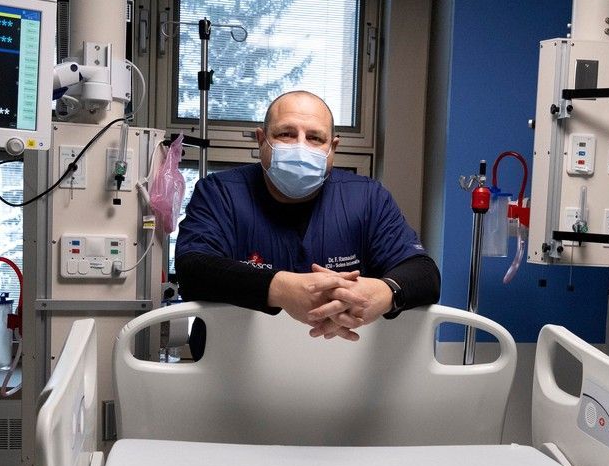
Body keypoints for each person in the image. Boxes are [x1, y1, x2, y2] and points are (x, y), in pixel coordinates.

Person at [175, 90, 440, 342]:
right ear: (261, 139)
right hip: (233, 369)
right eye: (286, 134)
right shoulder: (220, 193)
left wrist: (383, 292)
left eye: (315, 138)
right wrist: (282, 288)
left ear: (332, 147)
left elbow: (424, 274)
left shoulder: (367, 198)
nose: (300, 147)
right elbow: (194, 269)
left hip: (342, 368)